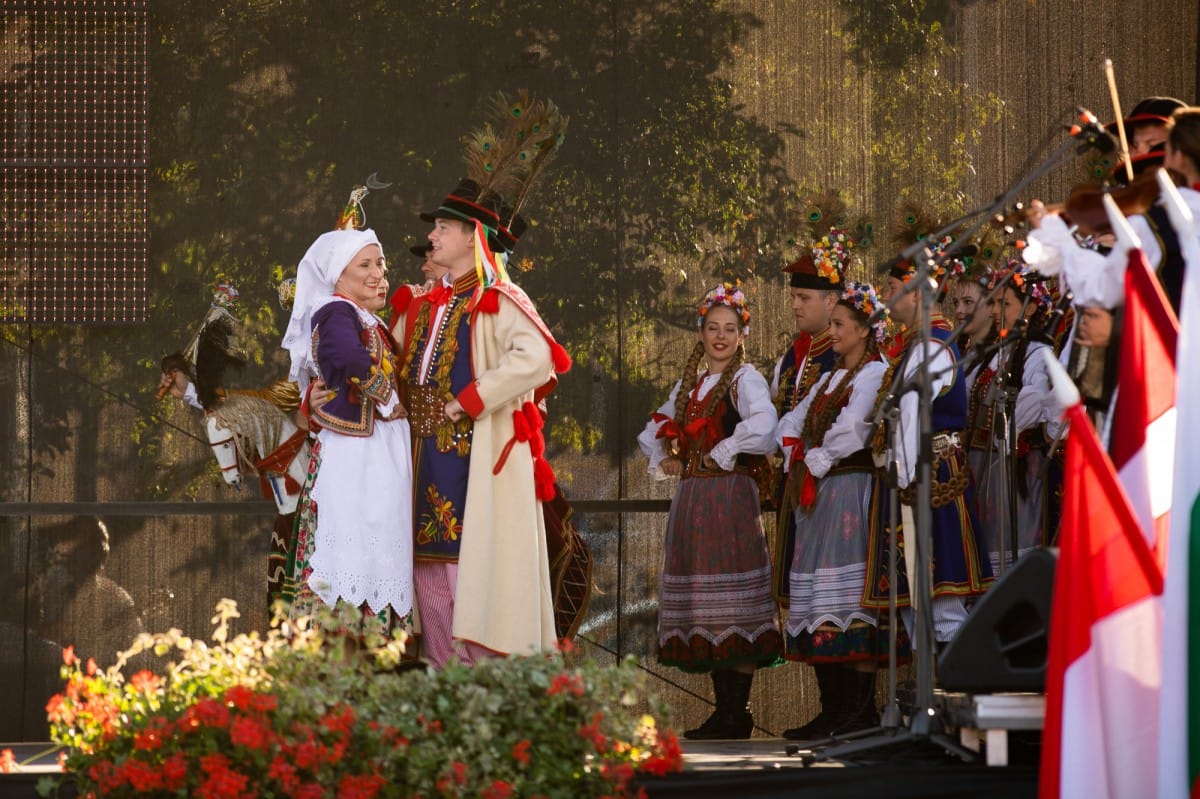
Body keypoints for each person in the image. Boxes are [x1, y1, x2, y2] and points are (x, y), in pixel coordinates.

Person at [394, 178, 571, 666]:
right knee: (427, 567)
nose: (432, 236)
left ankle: (481, 682)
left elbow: (538, 358)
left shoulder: (499, 297)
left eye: (442, 228)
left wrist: (467, 401)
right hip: (421, 457)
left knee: (472, 567)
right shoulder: (423, 304)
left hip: (474, 456)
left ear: (472, 235)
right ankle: (443, 673)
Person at [637, 282, 781, 740]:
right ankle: (727, 712)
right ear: (700, 332)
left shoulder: (745, 380)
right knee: (707, 604)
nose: (720, 336)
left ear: (742, 335)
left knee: (733, 602)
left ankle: (737, 712)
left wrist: (726, 448)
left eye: (729, 329)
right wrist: (665, 456)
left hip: (730, 498)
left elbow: (766, 427)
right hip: (695, 499)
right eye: (713, 327)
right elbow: (654, 429)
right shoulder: (692, 385)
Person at [280, 207, 414, 637]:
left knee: (375, 539)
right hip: (356, 457)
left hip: (374, 453)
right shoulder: (336, 310)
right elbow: (344, 355)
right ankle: (346, 636)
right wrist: (387, 397)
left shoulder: (363, 317)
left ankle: (365, 634)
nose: (379, 275)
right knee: (353, 536)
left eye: (381, 265)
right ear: (338, 274)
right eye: (365, 266)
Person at [776, 281, 897, 740]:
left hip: (850, 489)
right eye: (831, 324)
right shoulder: (829, 378)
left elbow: (856, 427)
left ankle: (860, 712)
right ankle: (833, 711)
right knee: (817, 600)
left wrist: (817, 456)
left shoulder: (873, 373)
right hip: (819, 495)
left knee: (850, 600)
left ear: (865, 330)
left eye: (840, 324)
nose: (833, 332)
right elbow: (795, 418)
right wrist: (794, 447)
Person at [863, 255, 992, 652]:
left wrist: (900, 477)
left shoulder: (931, 347)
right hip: (918, 475)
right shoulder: (923, 344)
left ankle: (956, 680)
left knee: (939, 601)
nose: (886, 297)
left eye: (891, 289)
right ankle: (933, 682)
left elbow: (912, 412)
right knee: (917, 604)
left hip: (926, 477)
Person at [769, 230, 853, 609]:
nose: (795, 306)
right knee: (802, 592)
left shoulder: (845, 354)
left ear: (831, 300)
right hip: (796, 484)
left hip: (833, 485)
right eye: (793, 297)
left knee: (833, 590)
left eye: (803, 298)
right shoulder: (791, 356)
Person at [966, 262, 1057, 575]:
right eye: (993, 303)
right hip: (980, 467)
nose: (995, 311)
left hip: (1012, 472)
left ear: (1030, 308)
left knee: (1009, 548)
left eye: (1004, 304)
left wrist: (1001, 429)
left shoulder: (1038, 353)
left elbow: (1034, 403)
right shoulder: (992, 353)